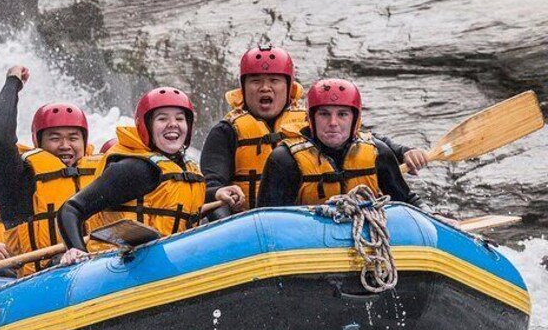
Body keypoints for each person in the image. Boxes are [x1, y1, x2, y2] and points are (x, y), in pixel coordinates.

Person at [200, 44, 428, 212]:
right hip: (248, 217)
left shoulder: (316, 117)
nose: (265, 88)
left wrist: (402, 151)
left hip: (315, 214)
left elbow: (363, 139)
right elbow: (210, 182)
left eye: (274, 80)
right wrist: (218, 193)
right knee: (217, 211)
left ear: (289, 86)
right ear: (243, 87)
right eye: (256, 81)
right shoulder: (226, 132)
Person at [57, 87, 225, 266]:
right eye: (162, 118)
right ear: (146, 126)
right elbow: (71, 209)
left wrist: (217, 193)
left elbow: (175, 201)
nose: (173, 124)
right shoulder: (135, 168)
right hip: (120, 266)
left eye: (179, 118)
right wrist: (76, 250)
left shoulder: (188, 170)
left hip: (167, 263)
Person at [0, 65, 101, 273]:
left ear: (84, 141)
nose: (65, 145)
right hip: (42, 278)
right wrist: (12, 83)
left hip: (101, 270)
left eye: (73, 138)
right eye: (55, 138)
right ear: (39, 141)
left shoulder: (102, 172)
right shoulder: (20, 179)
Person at [257, 79, 425, 208]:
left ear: (355, 120)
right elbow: (266, 219)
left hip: (364, 238)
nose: (333, 122)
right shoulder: (284, 160)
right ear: (310, 119)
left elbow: (407, 201)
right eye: (324, 114)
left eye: (343, 114)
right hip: (305, 243)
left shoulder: (378, 153)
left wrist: (436, 217)